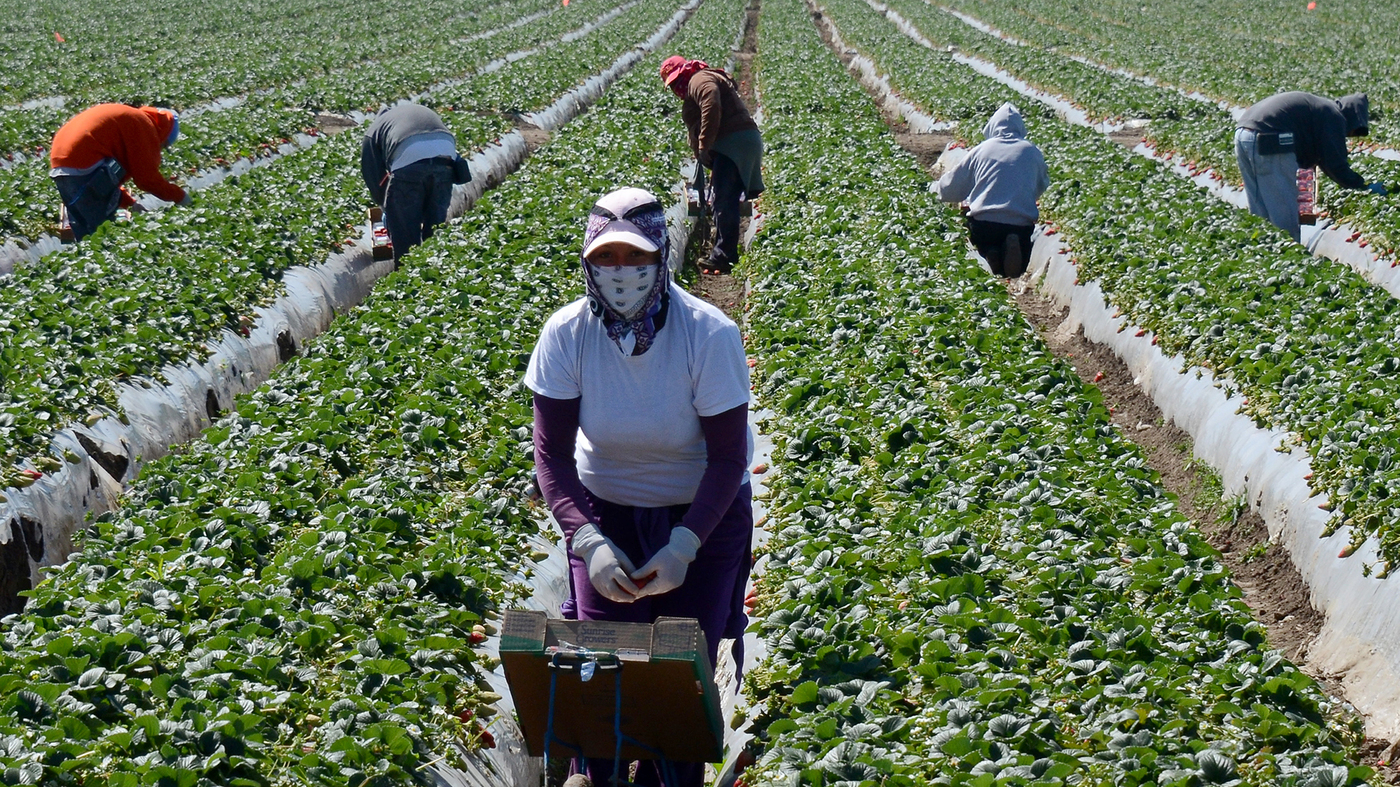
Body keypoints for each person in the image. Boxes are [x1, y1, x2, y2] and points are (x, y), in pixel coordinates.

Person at [525, 187, 754, 787]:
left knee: (678, 674)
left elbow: (731, 458)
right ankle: (594, 776)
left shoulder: (708, 333)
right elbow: (550, 455)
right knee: (597, 670)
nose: (621, 273)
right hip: (607, 510)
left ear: (661, 256)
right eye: (607, 259)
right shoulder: (567, 334)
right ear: (587, 261)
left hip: (702, 511)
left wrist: (683, 548)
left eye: (635, 259)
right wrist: (588, 543)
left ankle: (669, 778)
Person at [660, 55, 764, 275]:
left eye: (677, 80)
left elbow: (711, 103)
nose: (676, 88)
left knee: (724, 200)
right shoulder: (697, 82)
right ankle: (723, 252)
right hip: (736, 141)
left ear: (685, 71)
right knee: (723, 199)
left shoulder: (699, 79)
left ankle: (724, 257)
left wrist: (704, 144)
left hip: (734, 142)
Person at [1235, 91, 1385, 242]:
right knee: (1284, 212)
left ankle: (1265, 251)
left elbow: (1310, 160)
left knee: (1260, 207)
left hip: (1243, 133)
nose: (1347, 135)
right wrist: (1361, 186)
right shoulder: (1333, 115)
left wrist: (1307, 201)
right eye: (1351, 131)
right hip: (1271, 137)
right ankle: (1289, 253)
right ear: (1350, 118)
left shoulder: (1318, 109)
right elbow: (1335, 164)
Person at [934, 102, 1049, 278]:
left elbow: (953, 188)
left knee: (981, 239)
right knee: (1022, 245)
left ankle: (990, 254)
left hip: (985, 224)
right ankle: (1013, 252)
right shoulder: (1032, 151)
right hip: (1020, 225)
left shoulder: (981, 150)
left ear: (992, 126)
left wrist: (934, 190)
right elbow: (1041, 186)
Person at [49, 104, 190, 240]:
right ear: (163, 134)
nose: (159, 149)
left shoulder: (130, 119)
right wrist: (181, 197)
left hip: (60, 165)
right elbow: (147, 179)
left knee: (86, 233)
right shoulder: (144, 126)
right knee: (105, 233)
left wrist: (130, 203)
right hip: (83, 164)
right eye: (163, 145)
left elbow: (111, 179)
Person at [359, 103, 472, 261]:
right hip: (446, 153)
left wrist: (389, 210)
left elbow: (373, 177)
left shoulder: (374, 130)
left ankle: (408, 276)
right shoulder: (410, 113)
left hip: (409, 157)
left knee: (405, 235)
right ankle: (435, 272)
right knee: (434, 226)